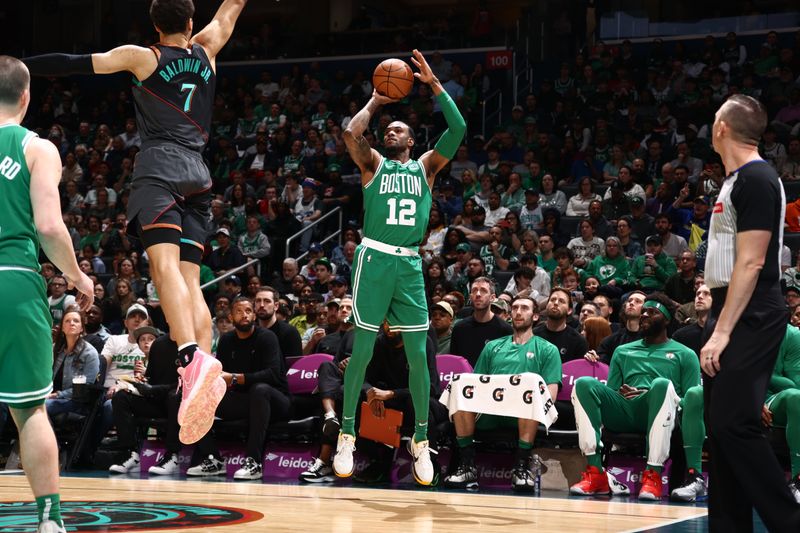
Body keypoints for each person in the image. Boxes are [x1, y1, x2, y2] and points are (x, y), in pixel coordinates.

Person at [23, 0, 250, 447]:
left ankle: (190, 358)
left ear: (154, 25)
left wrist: (17, 65)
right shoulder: (207, 49)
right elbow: (231, 8)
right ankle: (202, 368)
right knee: (190, 280)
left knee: (162, 266)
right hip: (199, 176)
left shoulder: (143, 57)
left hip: (160, 167)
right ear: (189, 22)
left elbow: (72, 65)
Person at [332, 49, 466, 486]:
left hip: (409, 264)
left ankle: (421, 442)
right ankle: (347, 434)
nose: (390, 131)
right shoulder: (373, 165)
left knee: (418, 359)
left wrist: (433, 85)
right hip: (373, 258)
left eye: (398, 129)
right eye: (387, 129)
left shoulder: (427, 166)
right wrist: (375, 101)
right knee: (364, 351)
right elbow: (351, 132)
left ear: (412, 140)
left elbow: (459, 128)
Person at [0, 55, 94, 533]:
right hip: (14, 277)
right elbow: (50, 226)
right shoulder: (38, 148)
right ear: (26, 96)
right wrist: (77, 276)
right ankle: (49, 519)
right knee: (29, 409)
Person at [700, 94, 800, 531]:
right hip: (729, 305)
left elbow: (753, 262)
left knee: (735, 423)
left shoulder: (758, 178)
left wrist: (722, 332)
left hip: (753, 308)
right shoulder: (734, 179)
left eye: (714, 117)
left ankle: (788, 519)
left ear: (722, 128)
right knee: (719, 432)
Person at [570, 294, 701, 500]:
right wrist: (618, 394)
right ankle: (596, 472)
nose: (645, 315)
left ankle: (653, 476)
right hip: (624, 411)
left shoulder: (685, 354)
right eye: (644, 312)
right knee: (583, 384)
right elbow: (611, 393)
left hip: (661, 414)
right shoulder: (622, 351)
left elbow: (692, 401)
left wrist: (655, 395)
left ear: (666, 320)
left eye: (653, 312)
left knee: (661, 385)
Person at [444, 296, 561, 492]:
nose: (517, 312)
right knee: (461, 385)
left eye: (524, 308)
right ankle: (467, 466)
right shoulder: (492, 347)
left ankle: (521, 468)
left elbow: (551, 394)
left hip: (524, 415)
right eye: (514, 308)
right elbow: (475, 384)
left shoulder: (548, 349)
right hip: (490, 412)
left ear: (535, 316)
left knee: (530, 386)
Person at [449, 277, 513, 366]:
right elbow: (454, 363)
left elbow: (507, 364)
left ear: (492, 298)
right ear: (470, 296)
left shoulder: (505, 329)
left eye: (483, 290)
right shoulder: (459, 328)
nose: (478, 294)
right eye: (474, 290)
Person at [254, 286, 302, 359]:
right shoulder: (250, 331)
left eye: (267, 301)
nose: (262, 305)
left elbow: (295, 366)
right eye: (258, 301)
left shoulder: (290, 332)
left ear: (276, 306)